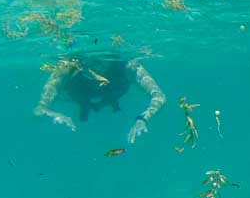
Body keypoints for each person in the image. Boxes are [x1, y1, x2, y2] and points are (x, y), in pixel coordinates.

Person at [34, 52, 165, 144]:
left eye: (99, 61)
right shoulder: (67, 68)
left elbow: (159, 96)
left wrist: (143, 119)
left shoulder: (128, 66)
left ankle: (102, 104)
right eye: (88, 62)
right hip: (80, 95)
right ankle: (85, 106)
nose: (94, 68)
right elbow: (40, 108)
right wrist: (53, 115)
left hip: (113, 93)